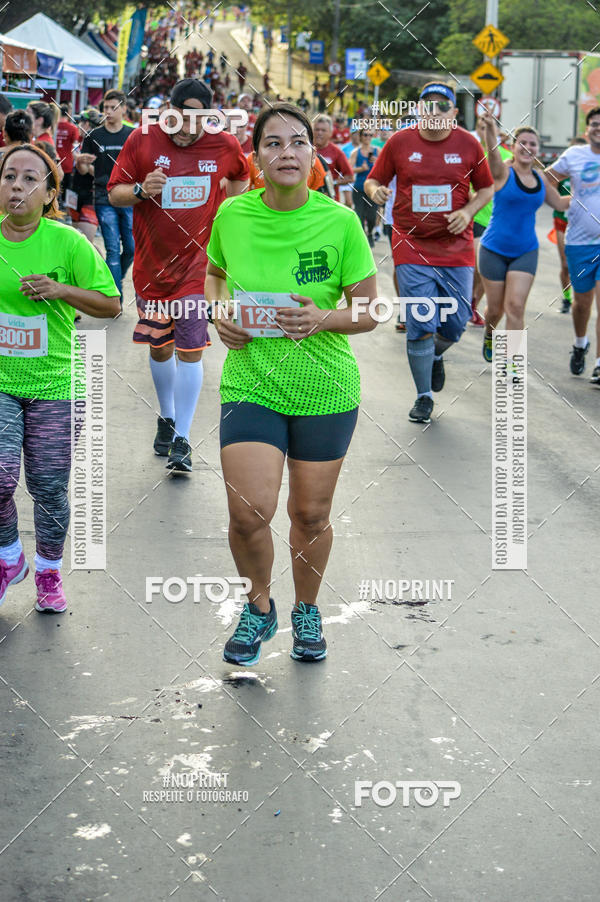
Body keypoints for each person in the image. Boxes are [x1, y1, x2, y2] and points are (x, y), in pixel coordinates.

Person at [204, 102, 378, 666]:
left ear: (314, 154)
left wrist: (320, 318)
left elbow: (371, 310)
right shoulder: (232, 215)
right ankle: (259, 608)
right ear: (256, 157)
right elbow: (213, 276)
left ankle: (306, 608)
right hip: (252, 381)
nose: (286, 152)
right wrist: (217, 313)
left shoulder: (340, 221)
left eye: (298, 142)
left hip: (326, 387)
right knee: (248, 512)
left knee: (309, 515)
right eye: (273, 143)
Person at [107, 79, 249, 472]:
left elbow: (242, 177)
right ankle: (166, 417)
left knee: (189, 346)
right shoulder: (143, 139)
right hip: (153, 267)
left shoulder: (224, 144)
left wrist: (228, 207)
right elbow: (115, 191)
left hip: (197, 267)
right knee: (161, 347)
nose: (187, 131)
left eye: (196, 122)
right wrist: (140, 188)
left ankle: (183, 439)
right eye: (179, 121)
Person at [0, 144, 119, 611]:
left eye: (31, 179)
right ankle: (10, 556)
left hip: (55, 386)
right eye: (10, 176)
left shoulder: (69, 243)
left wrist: (60, 290)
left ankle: (48, 571)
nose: (17, 186)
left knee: (48, 486)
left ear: (50, 191)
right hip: (2, 382)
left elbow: (110, 304)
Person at [365, 81, 494, 423]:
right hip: (411, 243)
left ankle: (435, 356)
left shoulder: (468, 143)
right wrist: (376, 190)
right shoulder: (400, 142)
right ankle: (423, 396)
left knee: (455, 323)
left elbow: (486, 187)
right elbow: (373, 180)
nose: (434, 111)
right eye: (428, 104)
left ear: (454, 112)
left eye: (442, 106)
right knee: (420, 322)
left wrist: (467, 212)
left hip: (456, 245)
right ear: (419, 109)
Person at [479, 117, 569, 362]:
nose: (528, 147)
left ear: (538, 149)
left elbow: (560, 203)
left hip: (525, 252)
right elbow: (493, 154)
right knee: (495, 310)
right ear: (515, 146)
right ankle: (489, 332)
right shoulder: (502, 173)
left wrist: (589, 195)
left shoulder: (541, 178)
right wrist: (489, 131)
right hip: (493, 250)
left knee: (516, 307)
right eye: (523, 142)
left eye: (533, 143)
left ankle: (512, 363)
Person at [545, 108, 600, 381]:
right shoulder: (575, 155)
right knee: (582, 304)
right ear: (588, 129)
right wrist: (559, 202)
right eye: (594, 124)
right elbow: (547, 179)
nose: (598, 128)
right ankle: (580, 345)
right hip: (580, 242)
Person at [76, 89, 135, 305]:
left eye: (113, 107)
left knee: (130, 248)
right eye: (105, 108)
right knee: (112, 248)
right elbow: (84, 170)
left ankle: (113, 280)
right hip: (103, 196)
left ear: (124, 109)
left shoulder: (132, 134)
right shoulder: (94, 136)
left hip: (129, 196)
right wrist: (81, 163)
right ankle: (115, 298)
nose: (108, 112)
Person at [470, 115, 513, 326]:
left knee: (511, 301)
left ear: (496, 131)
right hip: (476, 216)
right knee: (477, 267)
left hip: (499, 224)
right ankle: (469, 302)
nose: (483, 131)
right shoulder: (471, 152)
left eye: (488, 128)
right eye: (480, 127)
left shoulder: (507, 156)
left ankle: (472, 302)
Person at [68, 109, 102, 243]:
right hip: (75, 193)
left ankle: (103, 264)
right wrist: (79, 160)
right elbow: (81, 170)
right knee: (75, 240)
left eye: (80, 122)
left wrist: (81, 161)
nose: (77, 126)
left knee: (86, 243)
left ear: (87, 124)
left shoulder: (98, 143)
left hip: (91, 195)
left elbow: (100, 172)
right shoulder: (79, 142)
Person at [313, 114, 353, 203]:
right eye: (317, 129)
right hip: (308, 201)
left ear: (331, 133)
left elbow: (350, 177)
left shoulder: (337, 152)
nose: (319, 133)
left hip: (329, 201)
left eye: (323, 130)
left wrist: (331, 183)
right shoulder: (305, 148)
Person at [351, 128, 379, 246]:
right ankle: (363, 240)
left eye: (370, 135)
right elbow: (349, 169)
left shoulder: (378, 151)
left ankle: (370, 233)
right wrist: (360, 169)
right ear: (361, 137)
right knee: (360, 215)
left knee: (372, 216)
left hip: (373, 189)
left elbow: (387, 166)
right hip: (359, 189)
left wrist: (377, 161)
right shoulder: (356, 152)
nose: (368, 137)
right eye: (365, 135)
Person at [55, 103, 79, 201]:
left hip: (54, 162)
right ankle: (64, 208)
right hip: (67, 163)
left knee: (54, 188)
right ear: (68, 113)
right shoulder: (73, 128)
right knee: (66, 191)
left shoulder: (53, 127)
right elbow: (76, 145)